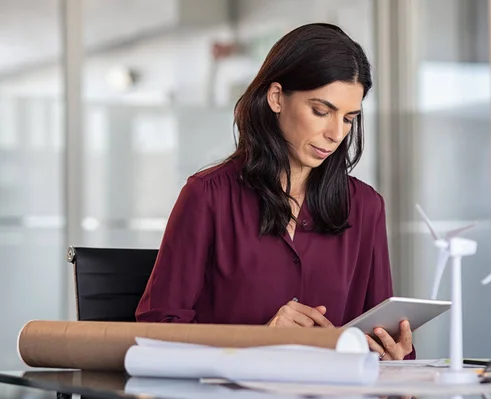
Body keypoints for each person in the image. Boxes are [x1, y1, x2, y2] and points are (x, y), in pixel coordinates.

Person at [135, 22, 415, 361]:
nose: (335, 133)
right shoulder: (207, 196)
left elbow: (380, 333)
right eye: (321, 111)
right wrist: (261, 340)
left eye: (348, 118)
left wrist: (395, 352)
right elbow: (158, 329)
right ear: (277, 97)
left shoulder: (365, 206)